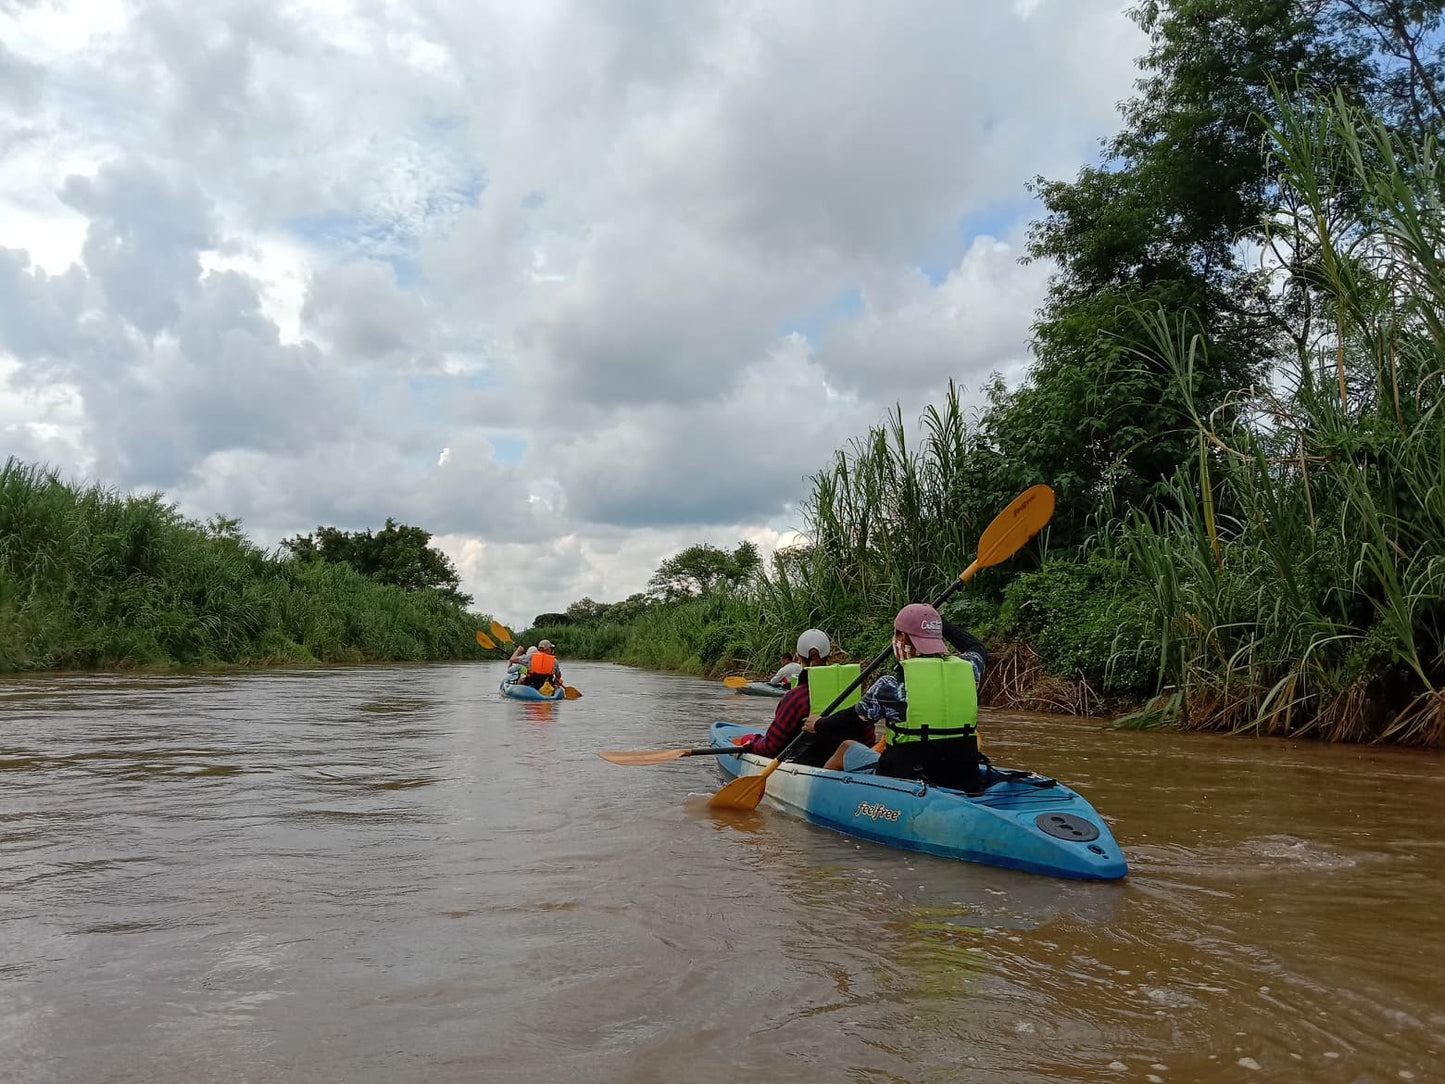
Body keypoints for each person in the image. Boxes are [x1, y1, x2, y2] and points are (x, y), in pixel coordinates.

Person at [804, 603, 987, 794]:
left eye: (897, 634)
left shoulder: (890, 685)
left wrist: (819, 724)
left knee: (846, 747)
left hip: (905, 777)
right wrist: (938, 623)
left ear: (903, 638)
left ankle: (820, 796)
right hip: (963, 778)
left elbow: (853, 718)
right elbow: (976, 646)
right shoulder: (970, 669)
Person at [734, 629, 874, 768]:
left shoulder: (796, 698)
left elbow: (771, 748)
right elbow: (869, 742)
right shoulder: (852, 693)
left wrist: (751, 741)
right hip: (848, 770)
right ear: (830, 654)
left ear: (798, 657)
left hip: (806, 770)